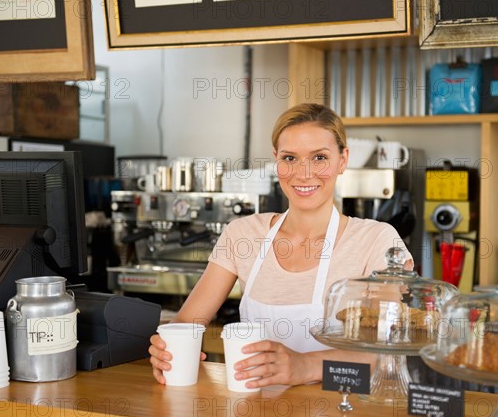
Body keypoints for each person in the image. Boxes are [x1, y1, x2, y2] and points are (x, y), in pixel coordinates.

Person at [149, 103, 413, 388]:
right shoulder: (242, 234)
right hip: (255, 414)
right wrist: (166, 349)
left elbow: (384, 351)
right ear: (276, 159)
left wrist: (302, 366)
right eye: (290, 158)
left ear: (343, 159)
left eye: (319, 158)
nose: (303, 173)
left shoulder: (378, 242)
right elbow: (187, 322)